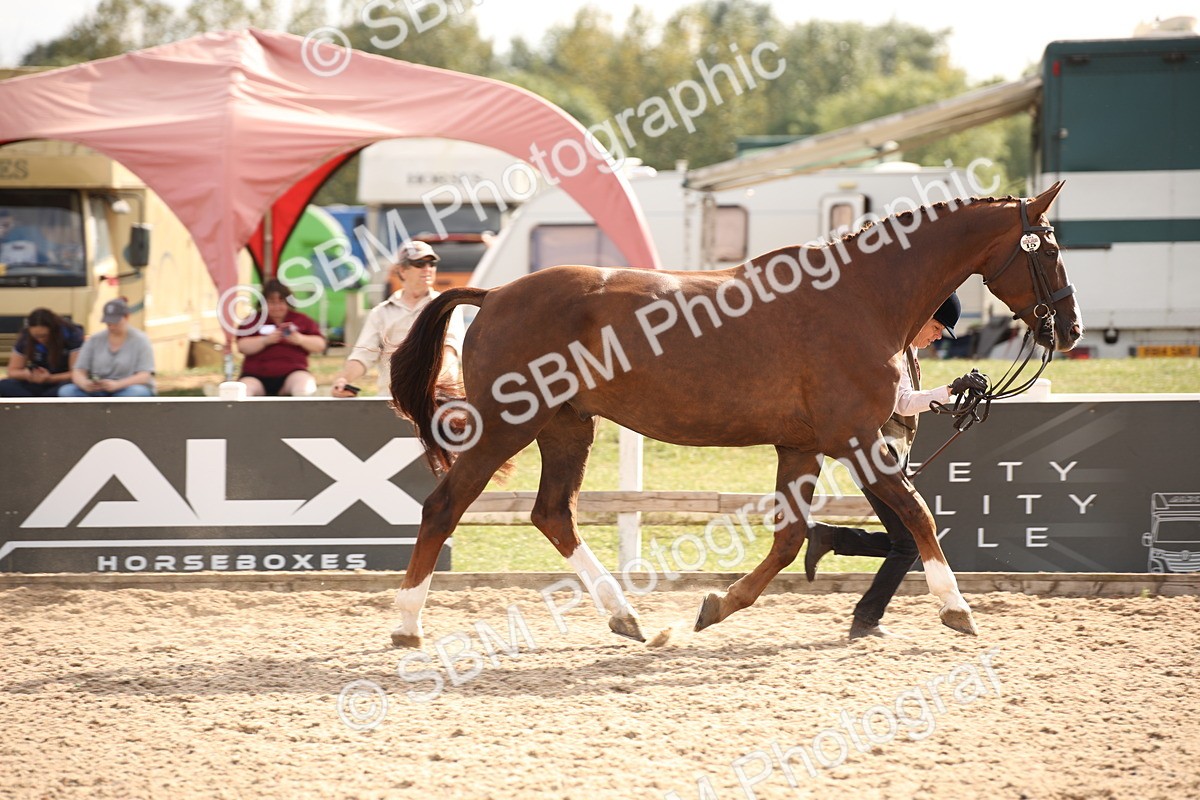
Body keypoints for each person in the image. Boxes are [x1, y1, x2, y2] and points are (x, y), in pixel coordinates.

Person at [804, 292, 988, 640]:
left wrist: (954, 391)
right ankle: (865, 619)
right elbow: (903, 404)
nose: (937, 336)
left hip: (886, 455)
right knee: (908, 542)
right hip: (874, 454)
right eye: (936, 328)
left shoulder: (909, 349)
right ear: (922, 317)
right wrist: (951, 389)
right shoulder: (893, 349)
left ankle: (828, 537)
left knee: (904, 539)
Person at [331, 241, 464, 397]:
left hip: (435, 400)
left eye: (432, 263)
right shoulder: (381, 312)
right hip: (392, 400)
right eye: (419, 263)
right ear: (402, 270)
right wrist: (343, 380)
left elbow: (450, 350)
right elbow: (362, 355)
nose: (427, 269)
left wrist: (440, 384)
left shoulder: (446, 306)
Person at [235, 279, 326, 396]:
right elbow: (242, 346)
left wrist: (301, 340)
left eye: (281, 301)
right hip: (255, 375)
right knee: (243, 391)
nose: (277, 307)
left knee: (304, 387)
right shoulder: (252, 320)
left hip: (292, 373)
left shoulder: (301, 320)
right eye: (272, 302)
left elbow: (320, 344)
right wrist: (265, 341)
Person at [60, 298, 156, 398]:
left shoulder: (141, 340)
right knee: (67, 391)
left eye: (116, 322)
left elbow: (144, 376)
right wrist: (85, 384)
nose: (112, 327)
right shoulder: (95, 340)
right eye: (109, 323)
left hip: (128, 387)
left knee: (135, 393)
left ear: (126, 317)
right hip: (99, 389)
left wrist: (117, 385)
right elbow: (78, 370)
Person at [0, 308, 85, 397]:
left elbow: (77, 373)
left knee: (66, 391)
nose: (40, 340)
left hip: (61, 380)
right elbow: (12, 371)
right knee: (5, 385)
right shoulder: (26, 337)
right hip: (36, 380)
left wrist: (50, 378)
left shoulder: (72, 335)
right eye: (36, 336)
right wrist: (27, 375)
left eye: (44, 336)